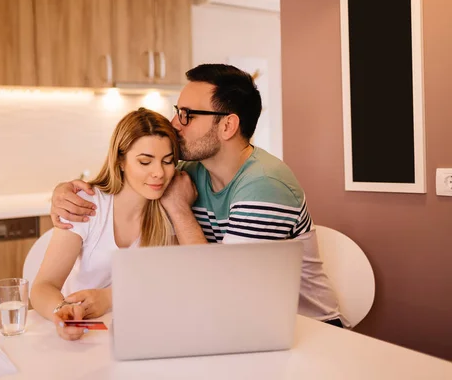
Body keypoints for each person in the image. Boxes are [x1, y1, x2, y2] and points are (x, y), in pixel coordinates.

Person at [51, 64, 349, 328]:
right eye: (177, 111)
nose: (174, 123)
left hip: (305, 330)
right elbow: (130, 172)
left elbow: (223, 291)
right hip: (233, 323)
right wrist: (64, 193)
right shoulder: (186, 171)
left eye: (187, 115)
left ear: (228, 125)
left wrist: (179, 210)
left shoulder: (264, 185)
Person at [30, 108, 180, 341]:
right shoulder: (87, 205)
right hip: (84, 333)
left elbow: (169, 283)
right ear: (120, 161)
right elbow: (42, 287)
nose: (159, 173)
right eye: (145, 161)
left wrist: (111, 297)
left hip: (139, 332)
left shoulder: (170, 208)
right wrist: (62, 312)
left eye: (167, 161)